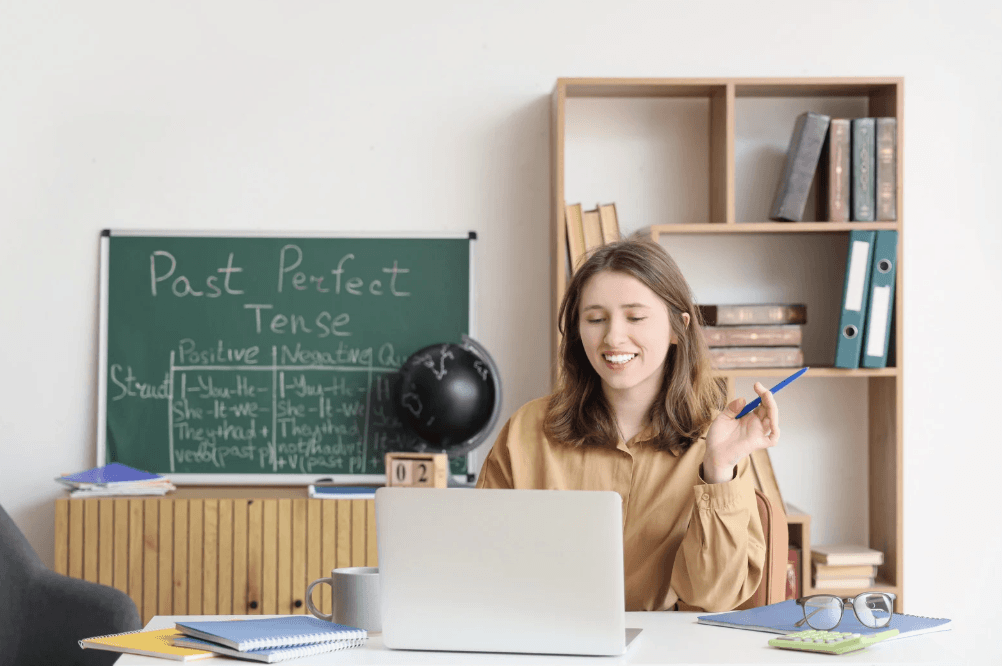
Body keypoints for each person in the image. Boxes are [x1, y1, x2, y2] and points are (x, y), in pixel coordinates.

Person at [476, 236, 780, 612]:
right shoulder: (526, 430)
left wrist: (718, 470)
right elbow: (483, 567)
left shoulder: (718, 443)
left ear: (677, 328)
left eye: (635, 317)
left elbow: (712, 598)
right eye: (595, 319)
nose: (613, 337)